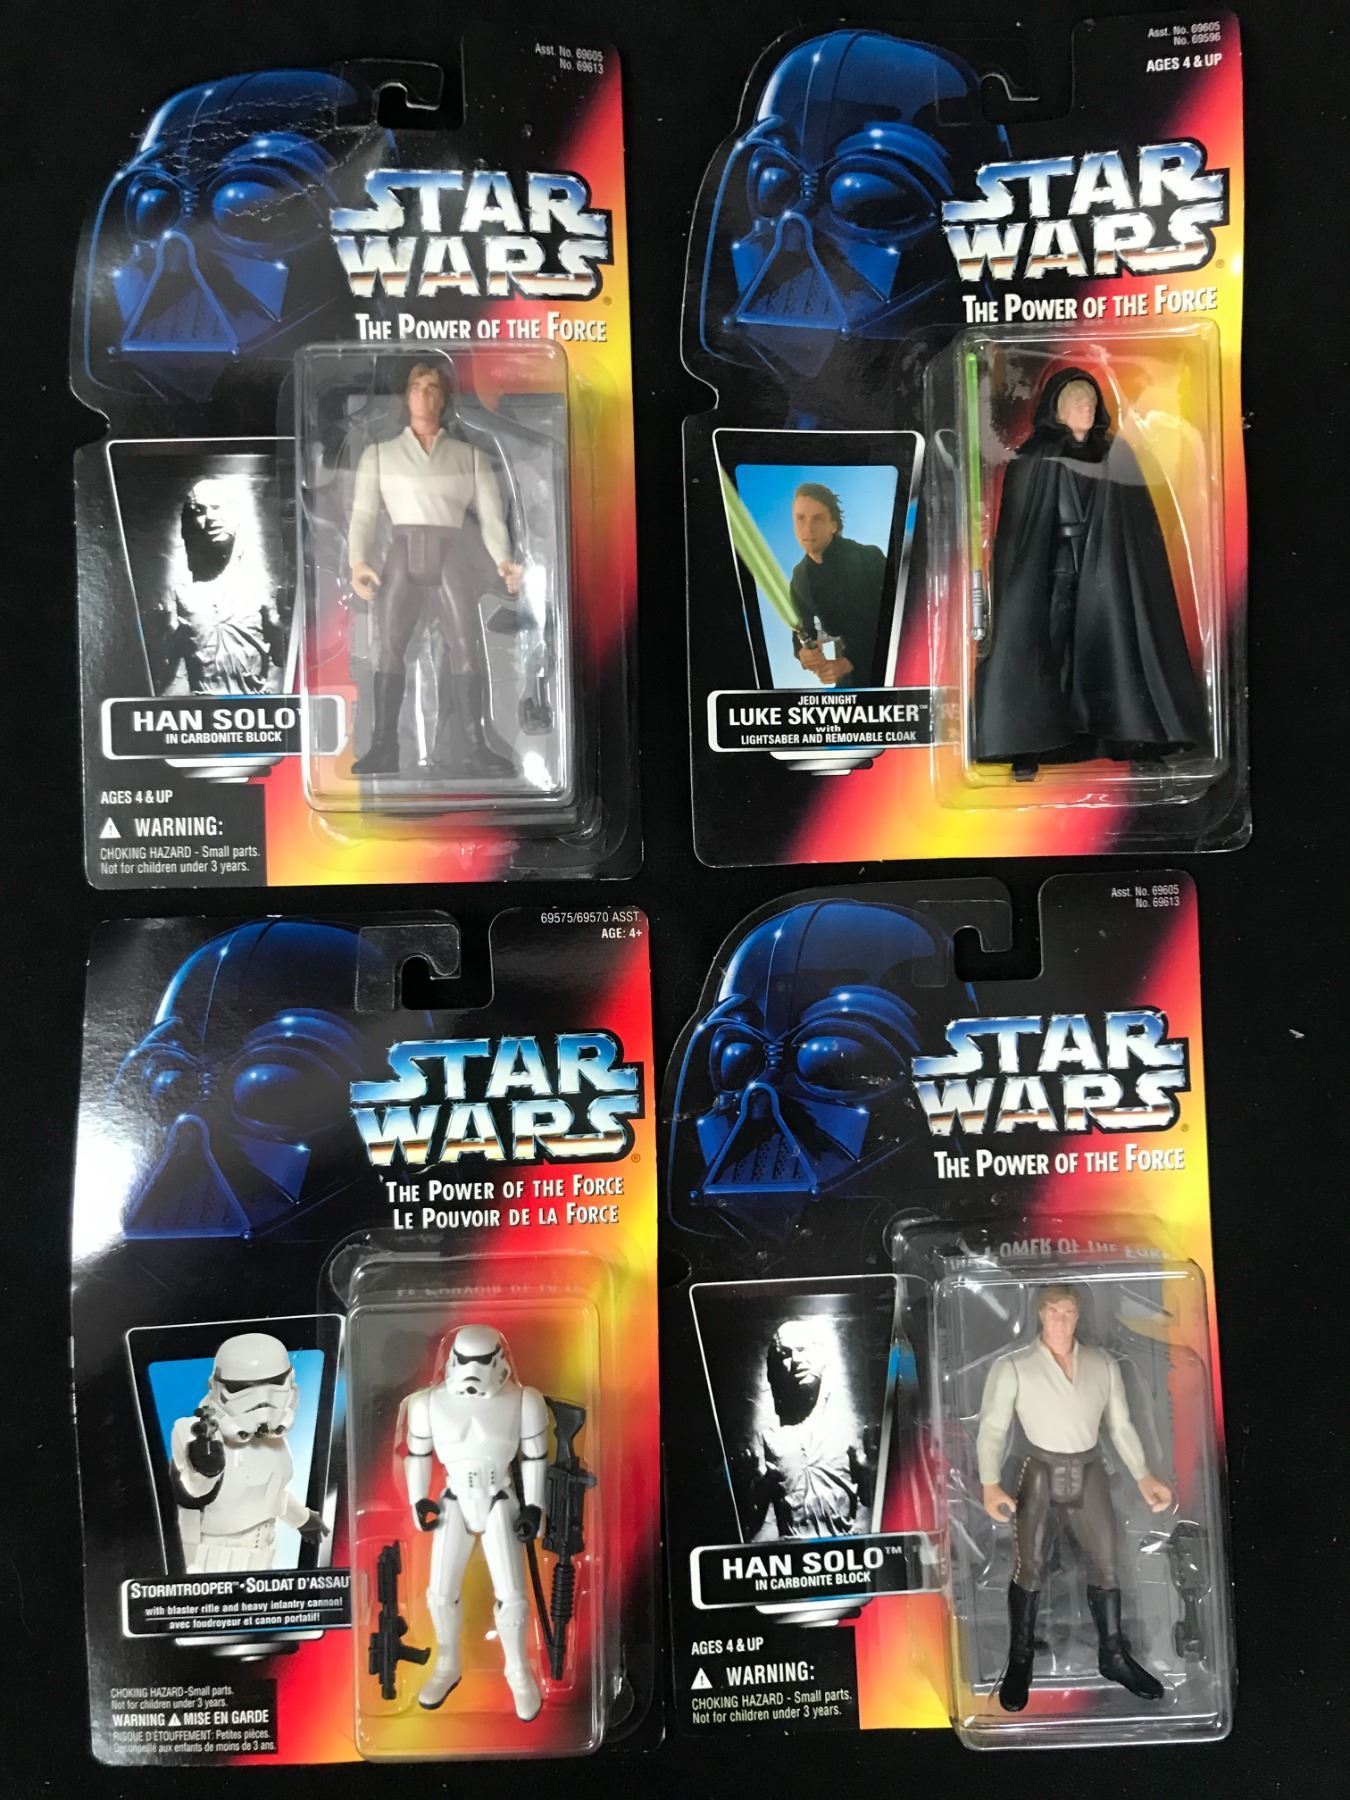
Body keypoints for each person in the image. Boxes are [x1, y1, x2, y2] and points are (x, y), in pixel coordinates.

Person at [972, 367, 1207, 775]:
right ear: (1057, 409)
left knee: (1116, 643)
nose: (1086, 408)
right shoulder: (1034, 457)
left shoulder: (1116, 454)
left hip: (1108, 570)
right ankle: (1026, 745)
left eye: (1092, 402)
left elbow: (1137, 528)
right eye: (1077, 401)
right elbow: (1020, 531)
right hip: (1053, 570)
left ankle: (1136, 737)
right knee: (1045, 648)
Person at [977, 1284, 1172, 1711]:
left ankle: (1113, 1655)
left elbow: (1120, 1425)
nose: (1061, 1320)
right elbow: (992, 1427)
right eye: (1053, 1312)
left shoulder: (1102, 1364)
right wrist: (990, 1482)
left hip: (1089, 1470)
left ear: (1079, 1316)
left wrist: (1142, 1475)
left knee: (1107, 1562)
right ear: (1040, 1314)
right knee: (1029, 1566)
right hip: (1040, 1471)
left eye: (1068, 1312)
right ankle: (1020, 1660)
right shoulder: (1014, 1366)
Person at [347, 361, 524, 778]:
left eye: (432, 387)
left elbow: (492, 520)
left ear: (444, 398)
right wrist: (358, 562)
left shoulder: (470, 457)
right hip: (401, 554)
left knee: (466, 646)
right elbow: (363, 516)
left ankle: (475, 746)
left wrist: (503, 561)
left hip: (452, 555)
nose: (424, 394)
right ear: (406, 395)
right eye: (417, 386)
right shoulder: (380, 454)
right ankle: (384, 746)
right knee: (388, 648)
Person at [403, 1325, 548, 1722]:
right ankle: (447, 1664)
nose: (472, 1371)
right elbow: (417, 1454)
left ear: (499, 1361)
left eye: (482, 1362)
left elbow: (536, 1458)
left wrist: (535, 1508)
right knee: (439, 1593)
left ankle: (518, 1671)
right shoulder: (427, 1403)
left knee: (512, 1596)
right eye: (464, 1361)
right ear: (452, 1360)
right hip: (453, 1499)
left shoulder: (524, 1400)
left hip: (500, 1497)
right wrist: (418, 1499)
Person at [170, 1332, 328, 1573]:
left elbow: (271, 1492)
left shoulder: (274, 1440)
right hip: (210, 1561)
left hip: (264, 1557)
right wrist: (205, 1469)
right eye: (242, 1388)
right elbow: (192, 1492)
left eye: (274, 1383)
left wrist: (303, 1519)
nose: (262, 1400)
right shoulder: (195, 1432)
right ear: (216, 1387)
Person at [153, 477, 281, 695]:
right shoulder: (180, 592)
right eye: (199, 510)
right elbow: (168, 677)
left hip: (259, 705)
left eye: (217, 507)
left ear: (236, 514)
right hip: (202, 707)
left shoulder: (261, 587)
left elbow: (285, 660)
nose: (211, 517)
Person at [745, 1318, 870, 1541]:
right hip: (792, 1551)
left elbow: (872, 1501)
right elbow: (759, 1523)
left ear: (822, 1356)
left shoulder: (847, 1433)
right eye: (785, 1354)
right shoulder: (771, 1439)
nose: (796, 1360)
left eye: (803, 1349)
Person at [787, 483, 888, 687]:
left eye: (817, 518)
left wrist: (848, 662)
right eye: (800, 518)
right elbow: (801, 630)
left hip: (890, 662)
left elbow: (896, 620)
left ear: (833, 526)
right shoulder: (799, 578)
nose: (808, 528)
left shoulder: (868, 558)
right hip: (850, 669)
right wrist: (805, 654)